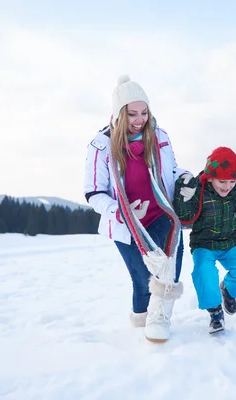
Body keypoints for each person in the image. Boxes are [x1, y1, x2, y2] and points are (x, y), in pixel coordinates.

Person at [84, 75, 192, 342]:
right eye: (132, 114)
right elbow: (94, 193)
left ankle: (159, 320)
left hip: (161, 215)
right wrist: (124, 213)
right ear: (119, 113)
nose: (139, 119)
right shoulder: (101, 146)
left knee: (170, 268)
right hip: (127, 223)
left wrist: (186, 179)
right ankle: (140, 324)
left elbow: (173, 170)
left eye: (144, 112)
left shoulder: (160, 136)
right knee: (142, 280)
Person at [173, 146, 236, 333]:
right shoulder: (199, 191)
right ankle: (215, 312)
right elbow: (185, 218)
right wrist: (182, 197)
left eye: (232, 181)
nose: (227, 186)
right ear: (210, 177)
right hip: (204, 243)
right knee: (204, 272)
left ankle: (228, 290)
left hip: (232, 242)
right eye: (222, 181)